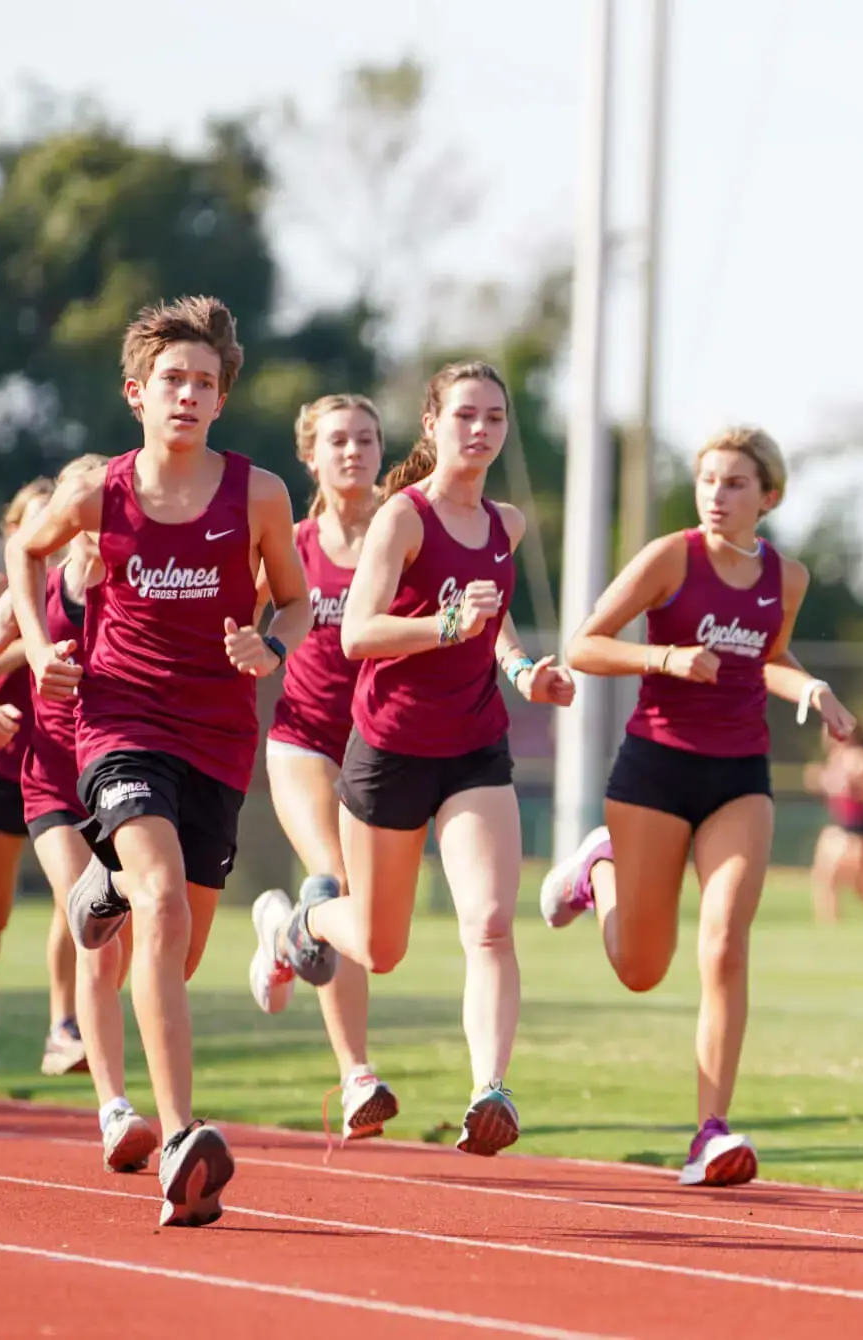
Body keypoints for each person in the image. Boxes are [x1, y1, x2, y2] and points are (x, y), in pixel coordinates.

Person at [6, 297, 310, 1227]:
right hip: (120, 722)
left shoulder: (258, 494)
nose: (187, 395)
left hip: (217, 737)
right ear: (138, 394)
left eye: (204, 384)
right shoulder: (102, 490)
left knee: (175, 954)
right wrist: (38, 644)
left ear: (222, 400)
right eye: (171, 381)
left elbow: (295, 604)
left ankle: (102, 884)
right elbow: (26, 548)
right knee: (164, 898)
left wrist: (272, 644)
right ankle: (182, 1135)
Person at [258, 364, 573, 1156]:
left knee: (492, 923)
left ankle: (489, 1091)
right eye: (464, 415)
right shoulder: (404, 517)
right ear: (431, 424)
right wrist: (440, 629)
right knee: (380, 945)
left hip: (473, 748)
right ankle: (293, 922)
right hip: (390, 749)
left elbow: (490, 617)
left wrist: (524, 670)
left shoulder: (507, 524)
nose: (480, 430)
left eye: (495, 418)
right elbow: (359, 633)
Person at [540, 426, 855, 1187]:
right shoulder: (671, 557)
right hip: (654, 769)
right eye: (709, 480)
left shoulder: (789, 575)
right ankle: (598, 873)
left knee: (724, 942)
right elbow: (585, 643)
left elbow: (768, 658)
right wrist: (664, 657)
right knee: (641, 969)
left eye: (736, 483)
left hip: (739, 776)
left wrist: (810, 687)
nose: (717, 494)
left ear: (768, 497)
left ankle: (709, 1130)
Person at [0, 454, 154, 1170]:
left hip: (118, 783)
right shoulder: (36, 589)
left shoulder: (140, 584)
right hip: (50, 786)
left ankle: (92, 1041)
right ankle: (108, 1100)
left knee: (137, 933)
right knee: (93, 928)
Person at [240, 392, 399, 1142]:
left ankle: (281, 930)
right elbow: (235, 616)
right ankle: (356, 1073)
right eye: (337, 439)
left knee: (363, 908)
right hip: (302, 738)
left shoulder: (402, 537)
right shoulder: (291, 544)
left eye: (366, 438)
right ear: (311, 454)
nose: (353, 451)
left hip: (382, 746)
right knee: (336, 881)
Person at [0, 478, 86, 1087]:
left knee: (76, 900)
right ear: (15, 534)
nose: (53, 540)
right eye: (37, 526)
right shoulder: (0, 591)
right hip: (0, 768)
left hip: (66, 767)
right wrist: (32, 643)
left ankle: (65, 1026)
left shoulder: (85, 587)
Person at [803, 729, 863, 924]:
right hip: (839, 826)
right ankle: (829, 925)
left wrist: (857, 785)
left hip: (860, 830)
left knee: (862, 888)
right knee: (824, 878)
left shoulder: (859, 757)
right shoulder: (834, 758)